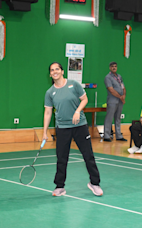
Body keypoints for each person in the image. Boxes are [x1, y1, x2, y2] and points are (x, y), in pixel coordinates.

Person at [42, 62, 103, 197]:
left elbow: (85, 99)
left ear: (62, 71)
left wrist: (77, 112)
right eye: (52, 70)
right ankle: (60, 187)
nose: (54, 72)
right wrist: (44, 131)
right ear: (50, 74)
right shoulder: (50, 92)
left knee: (88, 156)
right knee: (62, 158)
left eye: (57, 69)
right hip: (62, 128)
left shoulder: (73, 85)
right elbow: (47, 112)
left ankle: (94, 183)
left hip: (79, 125)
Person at [103, 62, 127, 142]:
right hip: (112, 100)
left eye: (115, 66)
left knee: (118, 118)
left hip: (120, 100)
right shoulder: (108, 77)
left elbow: (123, 87)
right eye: (112, 66)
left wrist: (124, 95)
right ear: (110, 67)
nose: (114, 68)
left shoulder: (119, 76)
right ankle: (106, 135)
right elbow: (111, 89)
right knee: (109, 118)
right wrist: (120, 97)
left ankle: (119, 135)